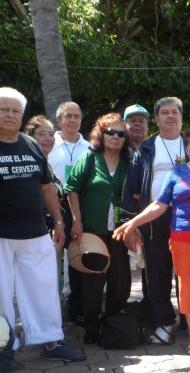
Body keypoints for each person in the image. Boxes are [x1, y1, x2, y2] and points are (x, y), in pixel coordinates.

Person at [0, 87, 85, 362]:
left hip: (34, 233)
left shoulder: (31, 144)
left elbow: (47, 188)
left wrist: (59, 222)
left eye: (15, 111)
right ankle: (3, 347)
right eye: (4, 110)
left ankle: (50, 341)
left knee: (44, 287)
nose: (10, 115)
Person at [114, 127, 190, 355]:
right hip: (182, 240)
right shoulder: (177, 173)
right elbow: (159, 205)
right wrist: (133, 223)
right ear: (186, 148)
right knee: (188, 287)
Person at [121, 97, 186, 345]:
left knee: (188, 270)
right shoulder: (145, 149)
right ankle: (164, 321)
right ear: (157, 120)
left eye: (175, 112)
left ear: (181, 117)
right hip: (153, 218)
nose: (170, 116)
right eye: (165, 113)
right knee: (157, 272)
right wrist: (131, 225)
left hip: (189, 218)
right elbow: (131, 188)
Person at [65, 113, 131, 345]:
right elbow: (71, 188)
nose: (115, 137)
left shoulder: (128, 162)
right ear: (101, 135)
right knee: (93, 280)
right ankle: (91, 325)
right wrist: (76, 220)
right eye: (110, 132)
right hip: (92, 229)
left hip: (119, 231)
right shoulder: (90, 158)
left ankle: (112, 322)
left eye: (121, 133)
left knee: (119, 278)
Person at [48, 101, 90, 326]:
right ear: (59, 120)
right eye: (68, 116)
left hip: (80, 209)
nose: (73, 120)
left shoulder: (89, 147)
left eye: (77, 116)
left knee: (77, 259)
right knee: (49, 262)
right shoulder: (47, 144)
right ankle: (49, 311)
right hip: (52, 208)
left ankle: (77, 310)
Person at [24, 115, 67, 287]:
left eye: (51, 134)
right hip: (34, 234)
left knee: (52, 282)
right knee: (38, 284)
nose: (48, 139)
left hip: (53, 232)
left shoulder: (46, 164)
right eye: (42, 134)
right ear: (30, 137)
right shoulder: (28, 164)